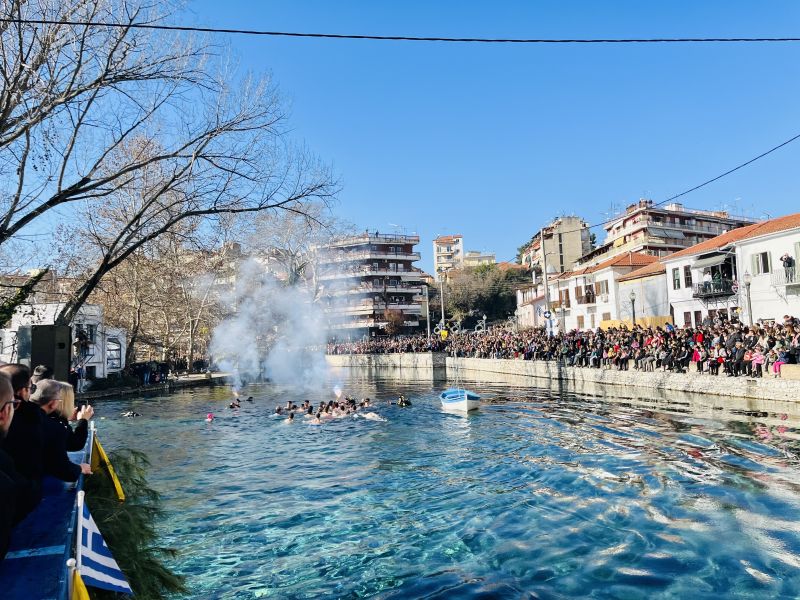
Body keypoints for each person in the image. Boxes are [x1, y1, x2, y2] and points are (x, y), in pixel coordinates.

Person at [31, 380, 92, 482]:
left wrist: (65, 419)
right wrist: (83, 420)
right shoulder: (55, 427)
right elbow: (74, 445)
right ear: (56, 402)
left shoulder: (34, 417)